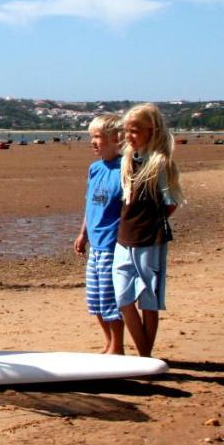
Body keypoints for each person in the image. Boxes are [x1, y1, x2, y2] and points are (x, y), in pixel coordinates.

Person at [114, 103, 183, 358]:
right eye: (126, 131)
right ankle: (145, 354)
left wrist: (153, 222)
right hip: (125, 237)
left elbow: (172, 202)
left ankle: (145, 357)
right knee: (123, 297)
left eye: (135, 131)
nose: (129, 136)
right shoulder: (128, 160)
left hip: (150, 239)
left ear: (151, 131)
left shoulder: (160, 163)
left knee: (148, 300)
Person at [73, 114, 125, 354]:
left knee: (110, 298)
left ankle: (117, 345)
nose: (93, 142)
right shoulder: (94, 169)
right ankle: (107, 341)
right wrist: (82, 234)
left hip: (113, 244)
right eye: (91, 137)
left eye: (98, 137)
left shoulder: (125, 169)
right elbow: (89, 206)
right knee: (94, 299)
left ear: (115, 139)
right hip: (95, 243)